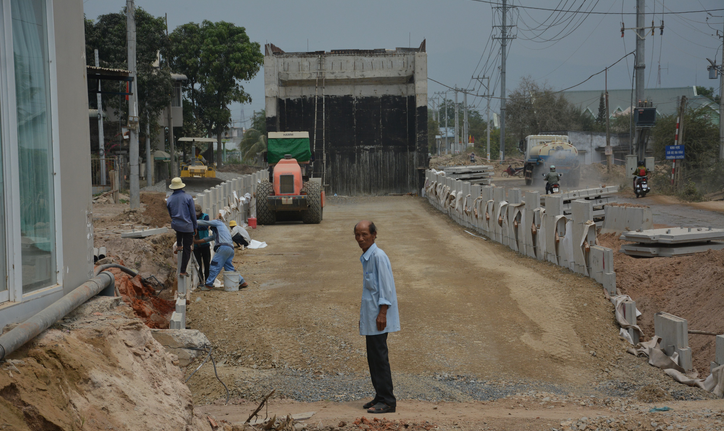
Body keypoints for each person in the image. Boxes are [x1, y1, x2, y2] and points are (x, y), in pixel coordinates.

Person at [354, 220, 400, 414]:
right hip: (372, 316)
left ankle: (388, 401)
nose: (361, 238)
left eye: (365, 234)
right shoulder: (367, 257)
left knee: (380, 358)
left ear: (374, 235)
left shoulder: (379, 257)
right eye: (358, 235)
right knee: (373, 358)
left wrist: (382, 313)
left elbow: (386, 288)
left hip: (379, 317)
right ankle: (380, 396)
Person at [196, 213, 249, 291]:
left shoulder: (217, 223)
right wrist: (195, 241)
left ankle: (208, 284)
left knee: (214, 265)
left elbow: (205, 222)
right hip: (230, 249)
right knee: (229, 268)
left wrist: (192, 221)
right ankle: (242, 281)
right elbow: (208, 239)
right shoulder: (220, 230)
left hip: (223, 247)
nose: (210, 229)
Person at [166, 177, 197, 276]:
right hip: (187, 225)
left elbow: (171, 214)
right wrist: (195, 226)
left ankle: (179, 245)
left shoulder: (169, 199)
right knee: (187, 248)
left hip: (176, 224)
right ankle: (183, 270)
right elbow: (193, 214)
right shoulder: (188, 197)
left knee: (179, 231)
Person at [193, 204, 211, 287]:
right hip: (196, 246)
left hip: (205, 244)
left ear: (201, 211)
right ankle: (200, 281)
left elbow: (205, 227)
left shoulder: (205, 216)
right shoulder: (191, 217)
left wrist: (195, 227)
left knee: (207, 263)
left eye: (197, 213)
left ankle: (208, 280)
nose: (196, 215)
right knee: (198, 264)